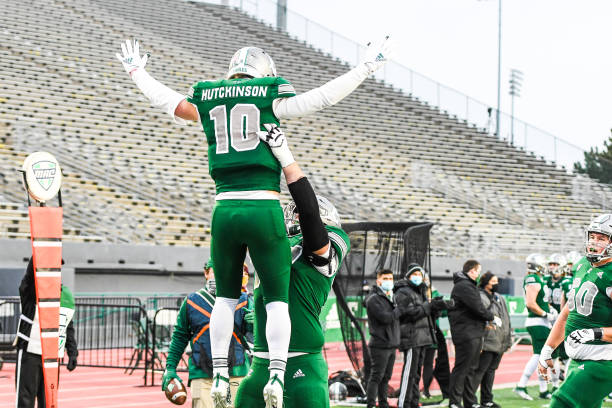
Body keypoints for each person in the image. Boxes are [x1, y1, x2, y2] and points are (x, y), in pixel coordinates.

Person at [116, 35, 393, 408]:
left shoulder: (327, 243)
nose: (293, 217)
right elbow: (320, 98)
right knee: (273, 301)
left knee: (225, 299)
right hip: (260, 210)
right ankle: (271, 376)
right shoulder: (268, 95)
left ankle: (219, 374)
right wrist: (364, 68)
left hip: (224, 207)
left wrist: (137, 73)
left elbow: (171, 103)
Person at [235, 144, 351, 408]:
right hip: (261, 362)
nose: (295, 214)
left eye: (299, 212)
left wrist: (286, 160)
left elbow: (309, 216)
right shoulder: (275, 241)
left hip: (303, 365)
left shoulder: (330, 241)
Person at [538, 214, 612, 408]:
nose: (594, 242)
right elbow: (567, 312)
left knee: (560, 404)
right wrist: (547, 349)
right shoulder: (582, 264)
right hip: (577, 358)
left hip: (602, 361)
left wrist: (595, 333)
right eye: (592, 236)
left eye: (602, 238)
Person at [162, 259, 251, 408]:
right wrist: (170, 367)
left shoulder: (244, 299)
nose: (219, 275)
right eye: (214, 271)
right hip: (203, 374)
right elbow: (179, 337)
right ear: (206, 273)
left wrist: (256, 325)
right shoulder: (192, 301)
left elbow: (254, 338)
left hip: (236, 371)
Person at [14, 258, 78, 408]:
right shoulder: (30, 292)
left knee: (48, 401)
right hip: (30, 354)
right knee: (25, 400)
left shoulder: (64, 295)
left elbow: (68, 325)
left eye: (55, 268)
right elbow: (29, 278)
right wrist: (39, 255)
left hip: (52, 356)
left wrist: (73, 352)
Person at [394, 264, 453, 408]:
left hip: (423, 338)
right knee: (409, 374)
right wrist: (429, 306)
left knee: (416, 375)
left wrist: (437, 307)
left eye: (420, 274)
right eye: (414, 274)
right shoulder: (403, 292)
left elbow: (426, 316)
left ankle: (413, 403)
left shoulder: (421, 292)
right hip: (411, 338)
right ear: (408, 276)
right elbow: (410, 313)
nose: (418, 277)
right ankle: (403, 404)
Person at [447, 260, 494, 408]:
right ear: (472, 271)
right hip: (466, 333)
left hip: (472, 331)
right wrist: (491, 317)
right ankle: (454, 402)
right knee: (462, 368)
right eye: (478, 271)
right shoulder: (464, 286)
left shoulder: (467, 285)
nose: (479, 274)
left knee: (471, 369)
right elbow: (477, 308)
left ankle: (470, 401)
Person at [514, 253, 559, 401]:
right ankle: (521, 385)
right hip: (537, 322)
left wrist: (550, 309)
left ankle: (543, 390)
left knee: (543, 357)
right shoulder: (532, 279)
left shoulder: (537, 279)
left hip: (541, 322)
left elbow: (541, 301)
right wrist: (545, 314)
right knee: (539, 356)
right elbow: (530, 303)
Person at [468, 272, 511, 408]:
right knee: (479, 371)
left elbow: (506, 320)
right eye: (493, 281)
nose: (496, 283)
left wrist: (508, 340)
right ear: (485, 282)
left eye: (496, 281)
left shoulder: (499, 297)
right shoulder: (480, 297)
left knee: (490, 371)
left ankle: (487, 399)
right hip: (487, 341)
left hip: (499, 341)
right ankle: (471, 401)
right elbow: (480, 317)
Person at [365, 269, 406, 408]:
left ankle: (383, 404)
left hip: (391, 345)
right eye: (386, 278)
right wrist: (400, 309)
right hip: (379, 344)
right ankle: (370, 404)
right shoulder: (373, 299)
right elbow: (385, 318)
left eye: (391, 278)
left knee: (386, 378)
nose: (389, 281)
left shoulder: (392, 297)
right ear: (379, 281)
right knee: (376, 377)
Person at [421, 276, 451, 403]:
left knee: (428, 363)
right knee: (417, 364)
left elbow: (443, 312)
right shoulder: (416, 294)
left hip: (432, 334)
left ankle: (426, 390)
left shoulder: (435, 293)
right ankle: (414, 390)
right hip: (419, 333)